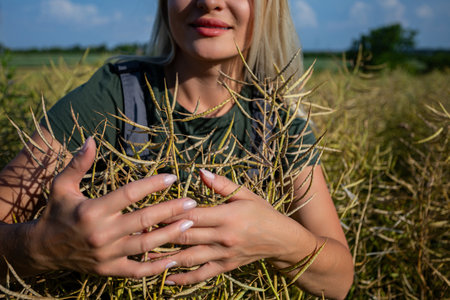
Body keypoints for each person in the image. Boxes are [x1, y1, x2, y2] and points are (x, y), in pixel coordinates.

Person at [0, 0, 354, 299]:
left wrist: (279, 239)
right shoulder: (111, 98)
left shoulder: (281, 126)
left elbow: (339, 280)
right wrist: (44, 246)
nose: (209, 1)